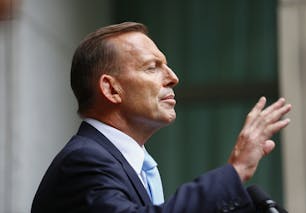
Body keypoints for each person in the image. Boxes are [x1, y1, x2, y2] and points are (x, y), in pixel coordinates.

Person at [31, 22, 292, 213]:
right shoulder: (84, 161)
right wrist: (236, 170)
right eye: (152, 67)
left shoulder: (123, 164)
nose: (173, 77)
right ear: (111, 89)